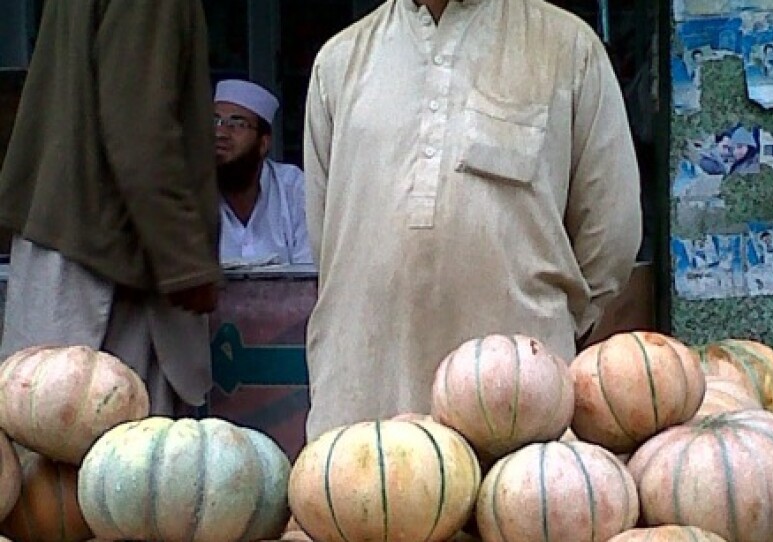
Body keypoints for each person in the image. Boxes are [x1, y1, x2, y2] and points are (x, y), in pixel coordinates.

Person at [303, 0, 643, 439]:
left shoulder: (568, 48)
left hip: (516, 403)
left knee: (519, 486)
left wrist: (547, 329)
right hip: (364, 390)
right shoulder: (339, 61)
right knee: (366, 483)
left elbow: (611, 230)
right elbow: (327, 237)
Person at [0, 1, 222, 415]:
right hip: (106, 266)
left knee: (39, 432)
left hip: (73, 243)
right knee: (109, 439)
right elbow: (141, 137)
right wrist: (187, 265)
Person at [214, 80, 313, 267]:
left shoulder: (293, 190)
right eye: (215, 121)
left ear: (263, 144)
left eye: (237, 123)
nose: (220, 133)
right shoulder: (190, 193)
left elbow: (310, 274)